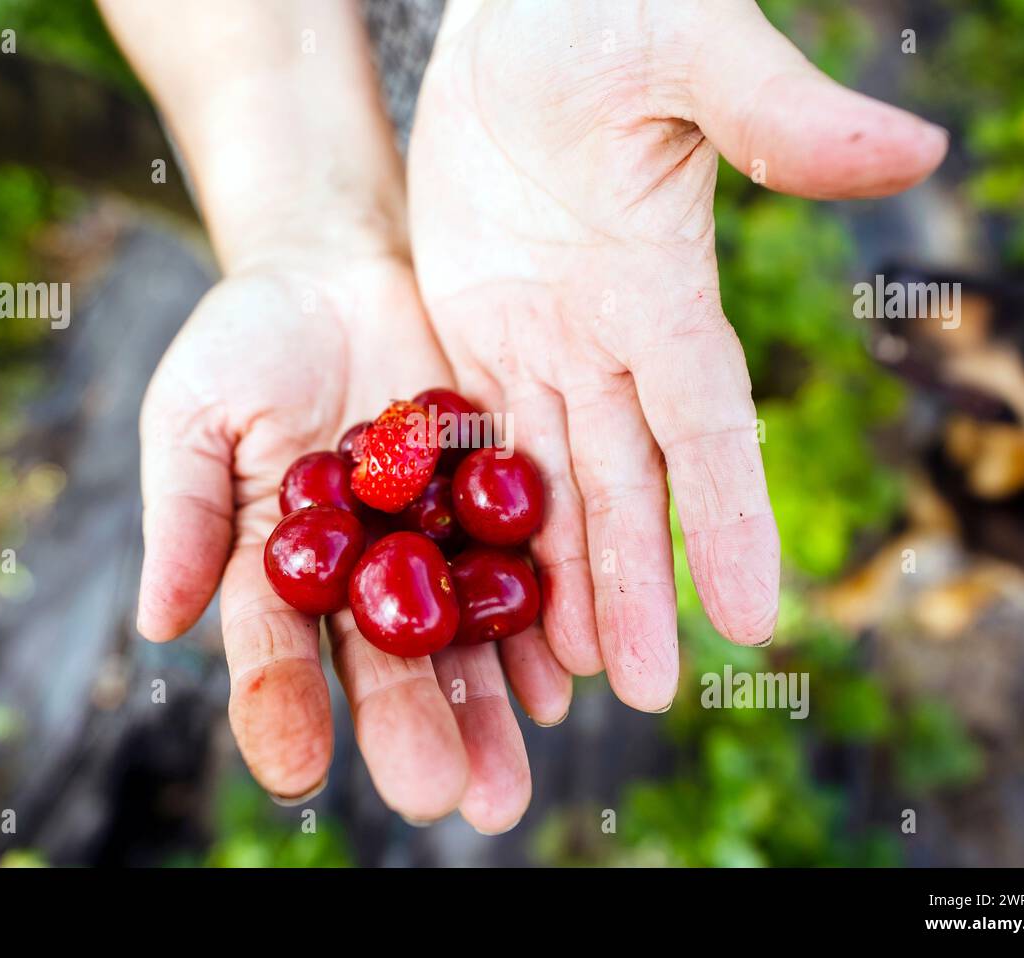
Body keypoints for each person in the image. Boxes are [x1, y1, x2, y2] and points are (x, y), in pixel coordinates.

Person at [96, 0, 947, 834]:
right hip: (322, 135)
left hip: (510, 131)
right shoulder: (398, 485)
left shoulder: (414, 485)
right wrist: (301, 230)